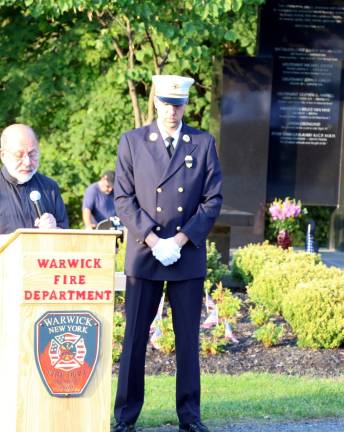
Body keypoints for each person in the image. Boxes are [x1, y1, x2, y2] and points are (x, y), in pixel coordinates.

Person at [113, 75, 223, 432]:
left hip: (185, 255)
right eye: (166, 103)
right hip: (145, 255)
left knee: (188, 340)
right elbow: (123, 199)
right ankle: (125, 416)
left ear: (186, 105)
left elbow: (212, 199)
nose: (172, 110)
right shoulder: (132, 142)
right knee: (134, 340)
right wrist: (152, 238)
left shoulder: (202, 143)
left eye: (178, 104)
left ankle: (189, 417)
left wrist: (179, 240)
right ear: (155, 103)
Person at [0, 124, 69, 431]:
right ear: (2, 154)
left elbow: (67, 238)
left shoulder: (49, 188)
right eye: (20, 154)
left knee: (35, 362)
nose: (27, 161)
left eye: (32, 153)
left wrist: (54, 231)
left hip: (40, 289)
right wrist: (20, 238)